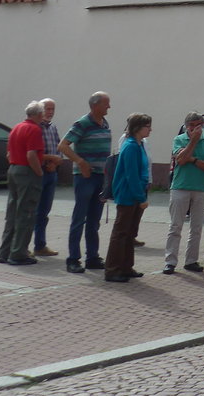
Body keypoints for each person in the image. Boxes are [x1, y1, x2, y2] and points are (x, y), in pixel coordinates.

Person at [58, 91, 112, 274]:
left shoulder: (104, 123)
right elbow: (63, 145)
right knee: (79, 218)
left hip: (100, 177)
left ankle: (92, 257)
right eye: (106, 104)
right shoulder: (82, 123)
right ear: (95, 105)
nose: (109, 107)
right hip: (85, 178)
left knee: (94, 220)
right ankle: (73, 259)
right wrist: (80, 162)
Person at [163, 112, 204, 274]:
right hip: (180, 187)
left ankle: (191, 260)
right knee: (175, 226)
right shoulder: (179, 139)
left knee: (196, 227)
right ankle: (170, 261)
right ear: (187, 126)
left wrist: (193, 160)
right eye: (192, 125)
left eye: (199, 125)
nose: (196, 129)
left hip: (201, 188)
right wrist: (193, 141)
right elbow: (180, 160)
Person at [104, 113, 151, 283]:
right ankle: (112, 269)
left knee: (130, 233)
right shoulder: (130, 146)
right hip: (128, 194)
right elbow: (131, 175)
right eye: (147, 126)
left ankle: (126, 267)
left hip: (136, 193)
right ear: (138, 128)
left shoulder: (138, 145)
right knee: (121, 233)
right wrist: (141, 197)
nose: (150, 129)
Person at [0, 102, 46, 266]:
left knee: (12, 212)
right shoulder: (34, 129)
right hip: (27, 172)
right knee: (26, 213)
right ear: (39, 115)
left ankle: (5, 252)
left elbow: (8, 153)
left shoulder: (16, 128)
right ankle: (18, 253)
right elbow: (31, 155)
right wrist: (39, 172)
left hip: (13, 169)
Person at [33, 98, 64, 257]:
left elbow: (59, 147)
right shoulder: (35, 127)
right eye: (47, 108)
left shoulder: (52, 127)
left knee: (44, 211)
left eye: (53, 109)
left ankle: (40, 245)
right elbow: (34, 153)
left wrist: (56, 162)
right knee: (33, 211)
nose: (50, 112)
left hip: (52, 173)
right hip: (39, 173)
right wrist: (50, 160)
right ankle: (24, 245)